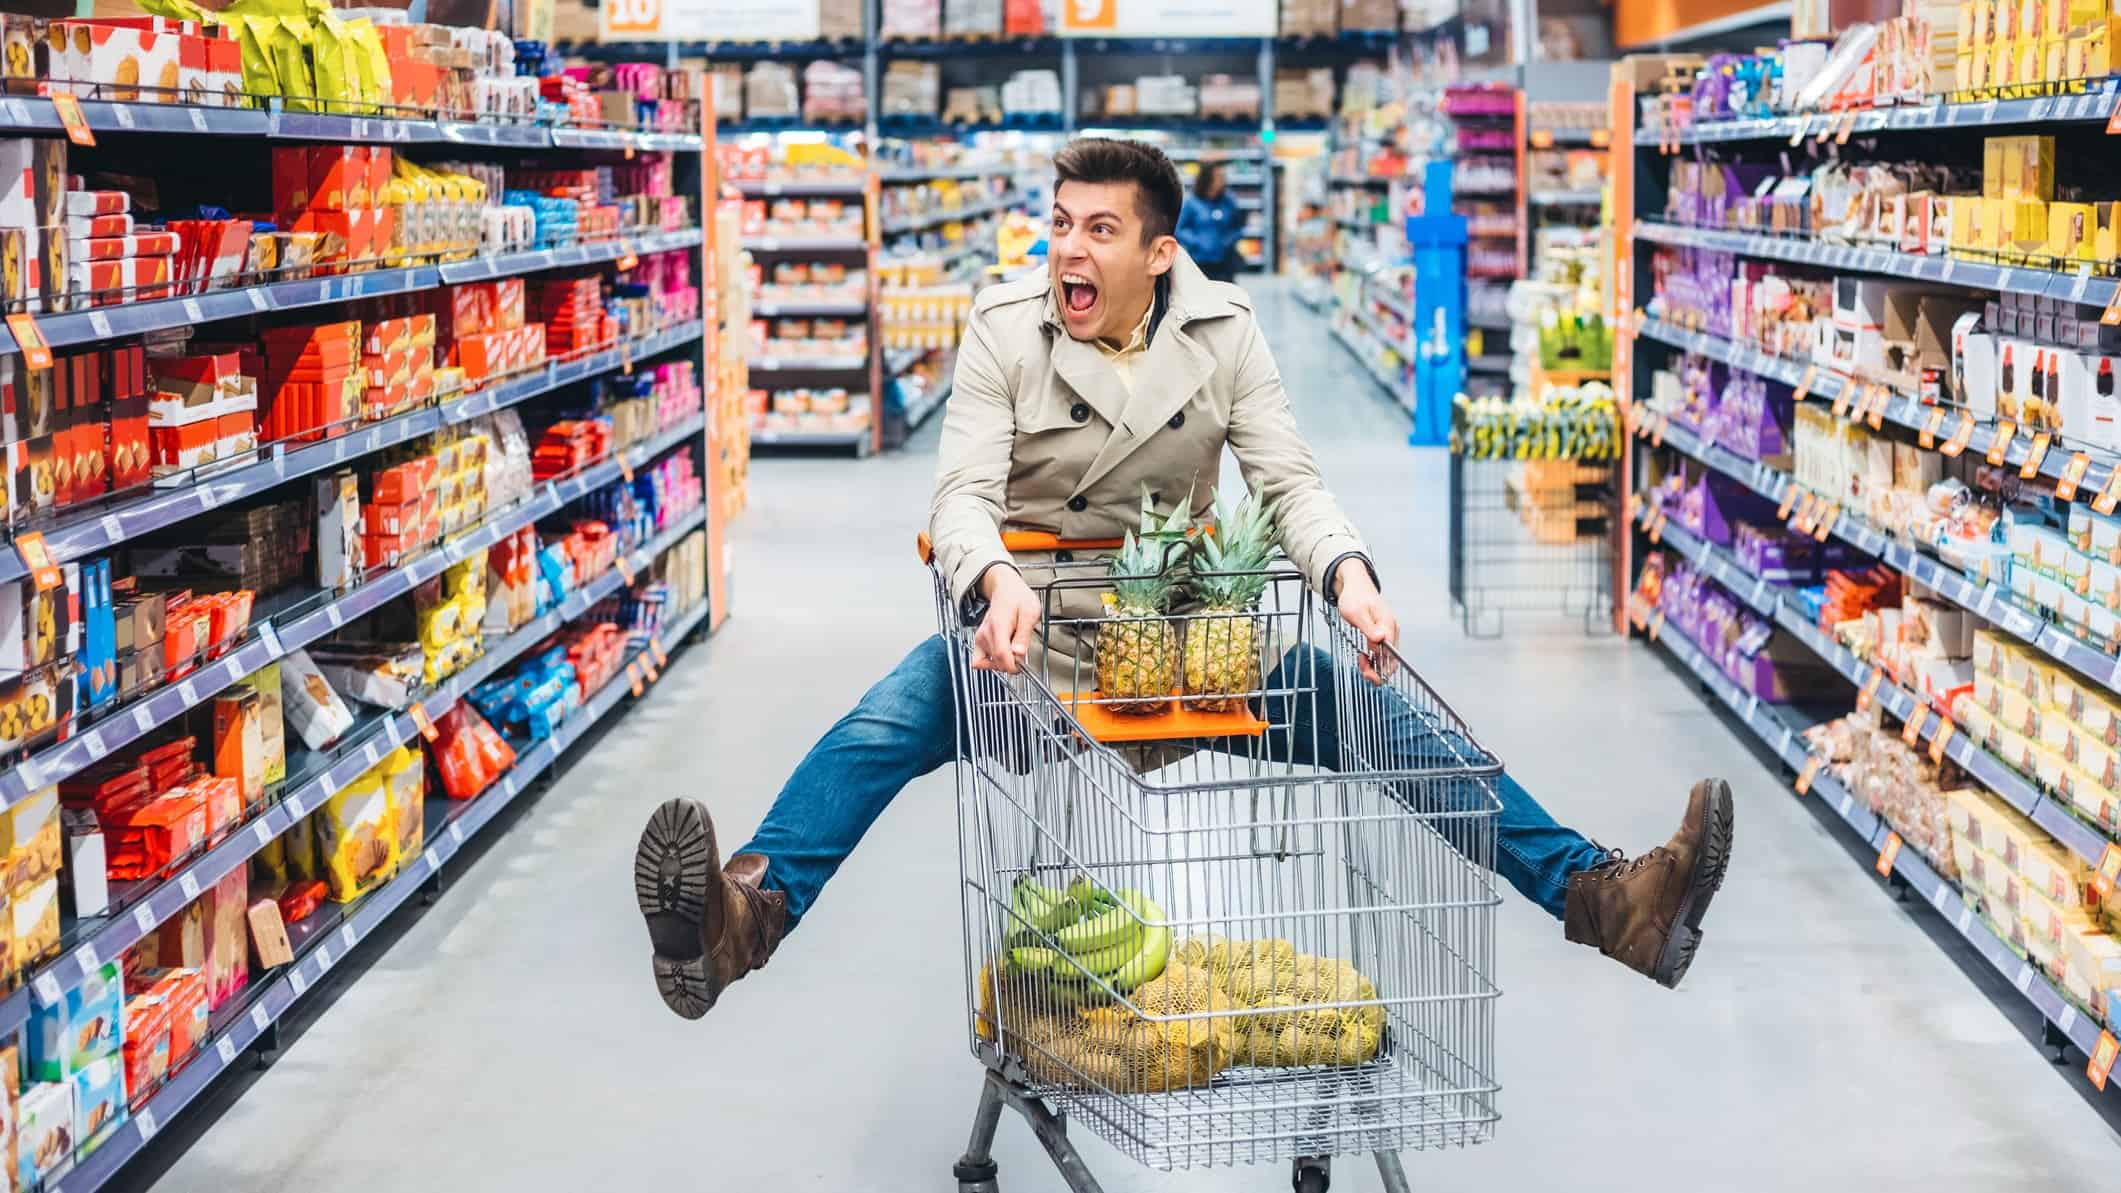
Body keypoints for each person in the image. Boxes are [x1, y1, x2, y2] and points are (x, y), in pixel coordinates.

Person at [633, 138, 1735, 1020]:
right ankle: (742, 918)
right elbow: (960, 492)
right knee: (883, 723)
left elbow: (1290, 482)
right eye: (1061, 224)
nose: (1070, 248)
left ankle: (1604, 896)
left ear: (1159, 254)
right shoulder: (1004, 328)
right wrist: (992, 580)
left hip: (1190, 648)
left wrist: (1348, 569)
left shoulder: (1225, 332)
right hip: (1038, 649)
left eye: (1100, 229)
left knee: (1385, 719)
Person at [1174, 161, 1243, 283]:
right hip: (1198, 263)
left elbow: (1237, 227)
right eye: (1219, 177)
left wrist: (1228, 241)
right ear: (1207, 178)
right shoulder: (1192, 203)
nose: (1223, 180)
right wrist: (1197, 242)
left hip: (1224, 264)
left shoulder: (1228, 202)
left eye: (1223, 177)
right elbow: (1179, 229)